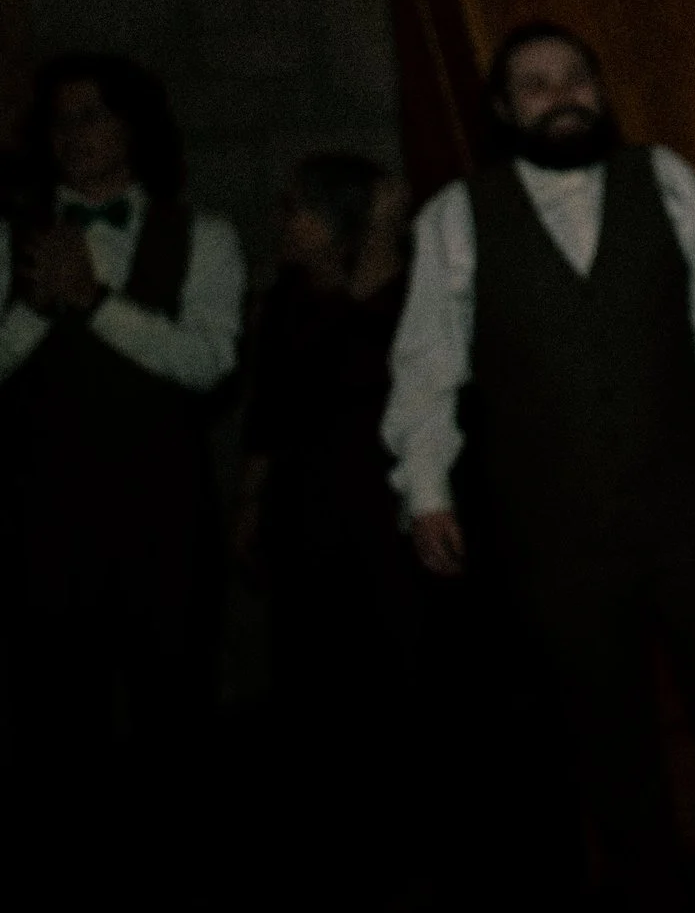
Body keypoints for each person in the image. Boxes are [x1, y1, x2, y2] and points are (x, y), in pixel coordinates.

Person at [381, 22, 695, 907]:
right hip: (554, 527)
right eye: (535, 84)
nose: (561, 95)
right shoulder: (459, 215)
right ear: (503, 109)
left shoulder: (663, 178)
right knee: (605, 739)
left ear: (601, 92)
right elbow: (425, 363)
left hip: (691, 509)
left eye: (575, 77)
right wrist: (423, 490)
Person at [0, 54, 246, 886]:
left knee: (174, 719)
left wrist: (99, 304)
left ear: (133, 127)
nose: (76, 133)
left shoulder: (203, 235)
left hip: (163, 520)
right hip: (42, 524)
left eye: (94, 114)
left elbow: (208, 360)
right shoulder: (10, 238)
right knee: (57, 725)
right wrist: (37, 309)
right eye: (63, 118)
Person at [233, 154, 421, 888]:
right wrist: (248, 503)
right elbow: (269, 412)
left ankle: (406, 844)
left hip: (382, 512)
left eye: (299, 208)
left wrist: (379, 225)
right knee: (314, 677)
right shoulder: (289, 298)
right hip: (306, 512)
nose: (284, 223)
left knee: (396, 675)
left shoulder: (396, 293)